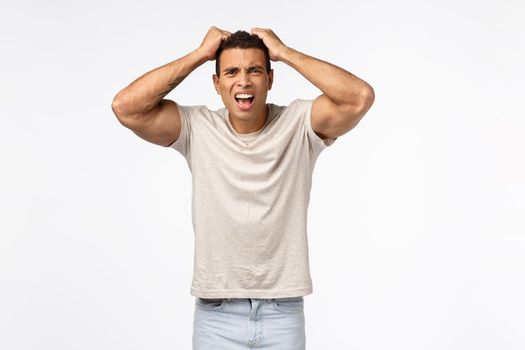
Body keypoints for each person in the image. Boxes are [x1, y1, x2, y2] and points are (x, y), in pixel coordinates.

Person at [111, 26, 374, 350]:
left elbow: (359, 98)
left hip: (283, 312)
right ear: (217, 83)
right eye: (232, 71)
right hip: (216, 315)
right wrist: (199, 55)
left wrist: (285, 52)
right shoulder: (198, 128)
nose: (244, 81)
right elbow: (126, 107)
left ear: (270, 79)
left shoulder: (300, 123)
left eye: (255, 70)